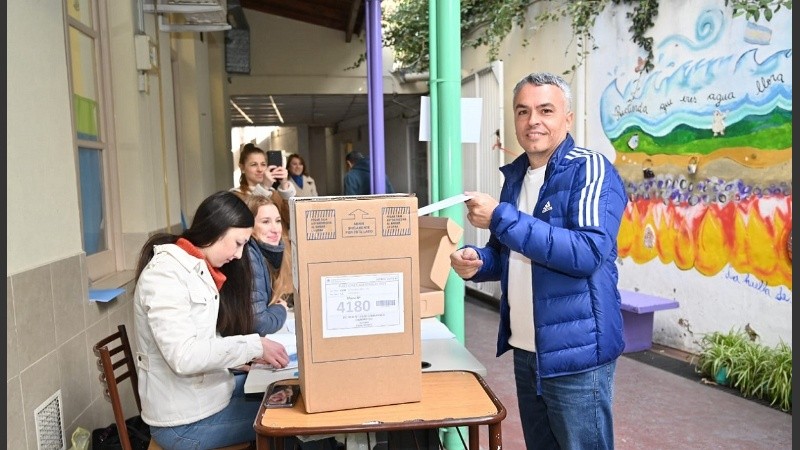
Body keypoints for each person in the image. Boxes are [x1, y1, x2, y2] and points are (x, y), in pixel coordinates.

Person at [449, 72, 627, 450]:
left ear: (568, 118)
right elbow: (508, 253)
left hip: (578, 356)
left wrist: (501, 217)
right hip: (528, 352)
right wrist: (479, 261)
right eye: (523, 111)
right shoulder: (515, 178)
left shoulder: (590, 169)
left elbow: (587, 252)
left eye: (546, 110)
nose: (533, 121)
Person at [132, 191, 290, 450]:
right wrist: (253, 346)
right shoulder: (164, 275)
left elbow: (204, 339)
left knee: (281, 394)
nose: (240, 255)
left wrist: (243, 358)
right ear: (217, 231)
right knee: (286, 419)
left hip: (206, 398)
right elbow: (184, 356)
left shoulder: (197, 268)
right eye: (238, 243)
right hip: (184, 423)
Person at [244, 194, 294, 335]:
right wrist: (281, 310)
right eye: (265, 222)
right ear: (249, 226)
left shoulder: (266, 252)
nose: (275, 229)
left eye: (278, 221)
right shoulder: (250, 256)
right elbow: (260, 324)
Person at [232, 143, 295, 232]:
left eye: (263, 164)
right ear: (242, 168)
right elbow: (245, 220)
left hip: (281, 244)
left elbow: (292, 220)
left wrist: (284, 185)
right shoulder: (235, 196)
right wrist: (264, 187)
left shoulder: (275, 194)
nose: (260, 169)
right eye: (254, 164)